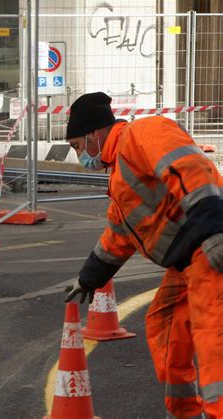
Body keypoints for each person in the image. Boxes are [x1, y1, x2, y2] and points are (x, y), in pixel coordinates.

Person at [63, 92, 223, 418]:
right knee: (163, 323)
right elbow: (120, 236)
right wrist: (89, 277)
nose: (80, 156)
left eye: (78, 146)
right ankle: (184, 411)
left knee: (212, 336)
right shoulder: (120, 171)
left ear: (94, 133)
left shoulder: (141, 134)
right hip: (189, 260)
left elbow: (189, 168)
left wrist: (214, 231)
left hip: (208, 249)